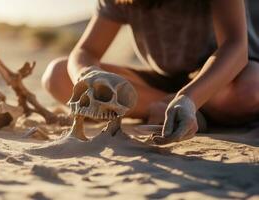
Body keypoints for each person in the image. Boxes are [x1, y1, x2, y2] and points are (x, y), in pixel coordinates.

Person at [42, 0, 259, 144]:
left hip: (227, 76)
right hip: (164, 82)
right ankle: (172, 109)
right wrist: (88, 74)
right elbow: (86, 50)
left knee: (251, 89)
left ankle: (182, 107)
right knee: (58, 75)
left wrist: (189, 98)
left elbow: (235, 48)